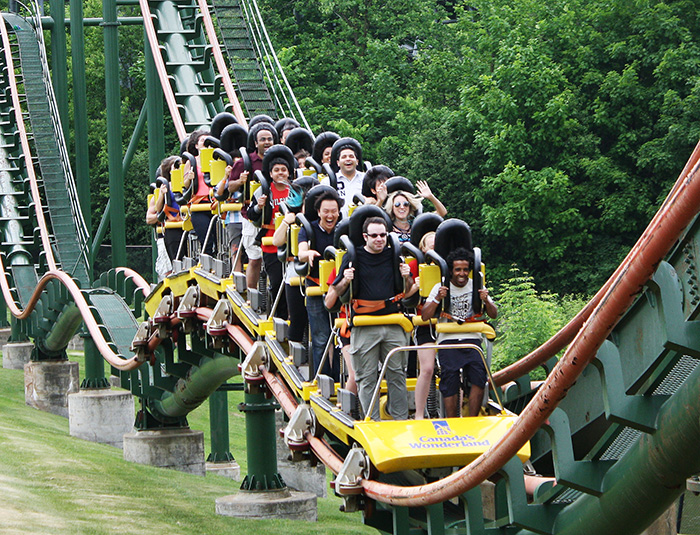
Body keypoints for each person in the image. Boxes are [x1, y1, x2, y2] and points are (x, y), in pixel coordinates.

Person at [330, 216, 414, 420]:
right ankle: (372, 421)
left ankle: (400, 419)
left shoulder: (394, 255)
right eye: (374, 235)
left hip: (392, 321)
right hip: (364, 323)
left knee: (397, 375)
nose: (379, 239)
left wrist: (407, 276)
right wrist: (346, 279)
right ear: (365, 236)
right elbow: (336, 292)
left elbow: (409, 290)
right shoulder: (353, 257)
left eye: (383, 235)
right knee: (366, 378)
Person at [421, 247, 498, 417]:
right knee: (450, 377)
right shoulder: (440, 287)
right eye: (458, 270)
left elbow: (493, 313)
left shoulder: (476, 286)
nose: (462, 274)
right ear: (451, 271)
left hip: (471, 338)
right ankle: (452, 419)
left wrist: (486, 300)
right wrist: (437, 299)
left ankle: (472, 418)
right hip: (448, 339)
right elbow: (425, 315)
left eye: (465, 270)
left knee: (479, 376)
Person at [297, 189, 348, 384]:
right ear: (318, 212)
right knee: (321, 337)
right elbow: (301, 251)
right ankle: (322, 380)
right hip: (317, 288)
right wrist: (307, 253)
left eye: (333, 211)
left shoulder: (343, 229)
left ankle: (338, 379)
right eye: (326, 211)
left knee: (340, 337)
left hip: (340, 290)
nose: (330, 216)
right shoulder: (309, 229)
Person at [224, 122, 278, 290]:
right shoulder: (244, 162)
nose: (267, 142)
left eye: (270, 139)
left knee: (274, 257)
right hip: (251, 214)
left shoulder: (280, 160)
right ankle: (252, 297)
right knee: (254, 257)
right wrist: (240, 181)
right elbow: (229, 188)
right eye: (263, 139)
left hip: (276, 214)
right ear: (255, 143)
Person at [248, 145, 294, 319]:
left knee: (293, 284)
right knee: (276, 282)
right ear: (271, 173)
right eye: (276, 170)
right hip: (270, 241)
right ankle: (278, 317)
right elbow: (251, 215)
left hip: (292, 242)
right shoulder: (264, 190)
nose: (280, 173)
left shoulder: (295, 190)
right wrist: (259, 206)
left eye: (284, 170)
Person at [182, 128, 215, 255]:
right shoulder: (192, 162)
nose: (206, 143)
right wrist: (189, 178)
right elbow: (185, 185)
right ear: (196, 145)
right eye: (202, 141)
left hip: (215, 202)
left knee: (219, 238)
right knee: (206, 239)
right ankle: (207, 262)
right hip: (199, 204)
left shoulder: (217, 159)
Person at [328, 137, 365, 218]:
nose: (348, 159)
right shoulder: (328, 181)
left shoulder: (366, 179)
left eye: (351, 156)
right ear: (338, 163)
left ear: (357, 161)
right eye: (344, 157)